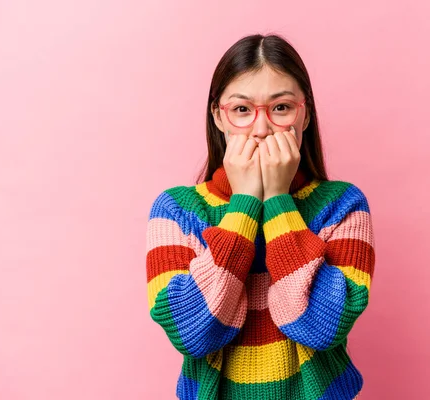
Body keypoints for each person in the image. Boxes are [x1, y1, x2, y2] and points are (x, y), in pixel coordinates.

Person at [145, 33, 375, 400]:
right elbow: (194, 333)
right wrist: (246, 201)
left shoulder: (344, 203)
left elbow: (322, 326)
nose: (261, 128)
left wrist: (279, 199)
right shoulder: (175, 209)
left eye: (281, 108)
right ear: (218, 116)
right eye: (242, 110)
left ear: (306, 113)